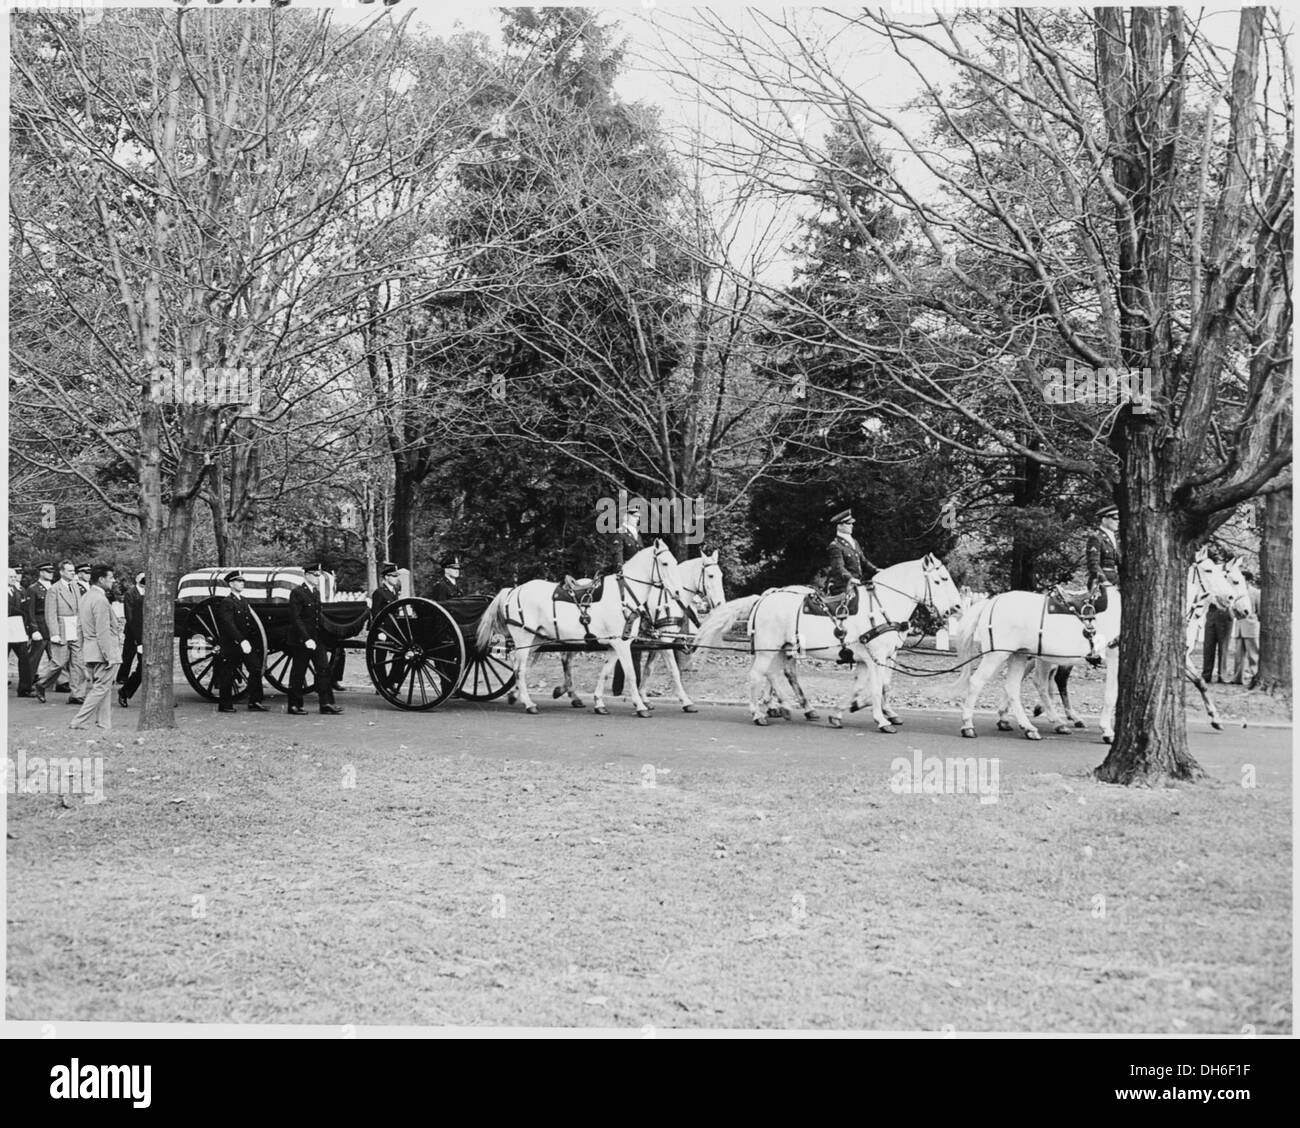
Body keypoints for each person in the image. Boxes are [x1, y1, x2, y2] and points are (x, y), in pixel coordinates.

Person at [69, 564, 123, 731]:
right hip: (103, 651)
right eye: (110, 578)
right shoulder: (100, 599)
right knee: (100, 688)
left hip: (90, 650)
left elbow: (79, 627)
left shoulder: (85, 597)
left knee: (103, 688)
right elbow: (103, 631)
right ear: (101, 579)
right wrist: (109, 656)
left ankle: (104, 723)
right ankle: (79, 720)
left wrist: (82, 650)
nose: (113, 581)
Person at [287, 563, 343, 716]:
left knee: (323, 670)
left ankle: (326, 703)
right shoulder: (297, 593)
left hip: (317, 638)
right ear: (306, 575)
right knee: (299, 671)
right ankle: (294, 705)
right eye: (315, 575)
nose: (318, 578)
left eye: (318, 575)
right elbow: (296, 618)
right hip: (302, 639)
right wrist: (305, 638)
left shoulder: (315, 593)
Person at [34, 560, 87, 705]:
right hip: (61, 627)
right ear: (62, 572)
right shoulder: (54, 589)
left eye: (73, 571)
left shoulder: (76, 586)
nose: (72, 573)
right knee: (59, 662)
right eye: (69, 571)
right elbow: (50, 612)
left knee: (78, 663)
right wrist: (54, 633)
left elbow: (80, 607)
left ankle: (77, 694)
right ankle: (42, 684)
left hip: (76, 627)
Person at [215, 570, 267, 713]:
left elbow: (249, 623)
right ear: (231, 584)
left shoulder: (243, 601)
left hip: (246, 644)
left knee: (256, 668)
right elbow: (228, 624)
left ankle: (255, 701)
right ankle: (225, 705)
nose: (241, 584)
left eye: (242, 581)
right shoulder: (227, 602)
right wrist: (241, 640)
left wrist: (250, 641)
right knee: (228, 673)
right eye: (238, 581)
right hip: (232, 644)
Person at [1201, 549, 1233, 684]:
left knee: (1223, 647)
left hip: (1225, 613)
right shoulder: (1212, 574)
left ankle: (1222, 675)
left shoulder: (1229, 576)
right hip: (1211, 612)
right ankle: (1206, 674)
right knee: (1208, 646)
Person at [1229, 569, 1261, 687]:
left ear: (1248, 581)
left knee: (1253, 654)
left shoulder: (1256, 593)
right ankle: (1238, 677)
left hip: (1252, 627)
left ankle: (1254, 676)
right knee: (1238, 655)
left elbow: (1259, 611)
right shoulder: (1237, 593)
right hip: (1239, 627)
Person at [826, 510, 871, 595]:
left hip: (858, 584)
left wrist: (877, 570)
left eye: (851, 523)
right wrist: (850, 578)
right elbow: (838, 567)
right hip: (843, 586)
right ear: (840, 526)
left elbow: (864, 561)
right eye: (848, 524)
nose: (852, 526)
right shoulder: (835, 545)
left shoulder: (854, 542)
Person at [117, 572, 145, 708]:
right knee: (138, 664)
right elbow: (131, 618)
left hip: (147, 635)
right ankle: (124, 690)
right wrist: (139, 641)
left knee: (145, 667)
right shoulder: (131, 594)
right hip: (136, 635)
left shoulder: (149, 594)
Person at [24, 562, 53, 689]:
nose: (51, 574)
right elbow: (30, 611)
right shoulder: (33, 588)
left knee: (56, 658)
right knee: (34, 658)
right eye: (48, 571)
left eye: (52, 571)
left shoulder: (53, 587)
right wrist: (34, 629)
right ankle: (27, 685)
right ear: (41, 572)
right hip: (40, 626)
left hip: (52, 627)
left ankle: (58, 683)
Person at [1085, 504, 1122, 589]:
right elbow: (1093, 564)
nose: (1118, 521)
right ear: (1104, 519)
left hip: (1116, 582)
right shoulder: (1096, 538)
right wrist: (1104, 581)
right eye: (1115, 518)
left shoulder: (1115, 538)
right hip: (1100, 584)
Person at [8, 568, 32, 697]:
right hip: (6, 627)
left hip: (17, 628)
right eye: (10, 576)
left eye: (14, 576)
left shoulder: (17, 591)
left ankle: (24, 688)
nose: (14, 578)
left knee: (24, 658)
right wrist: (20, 612)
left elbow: (24, 609)